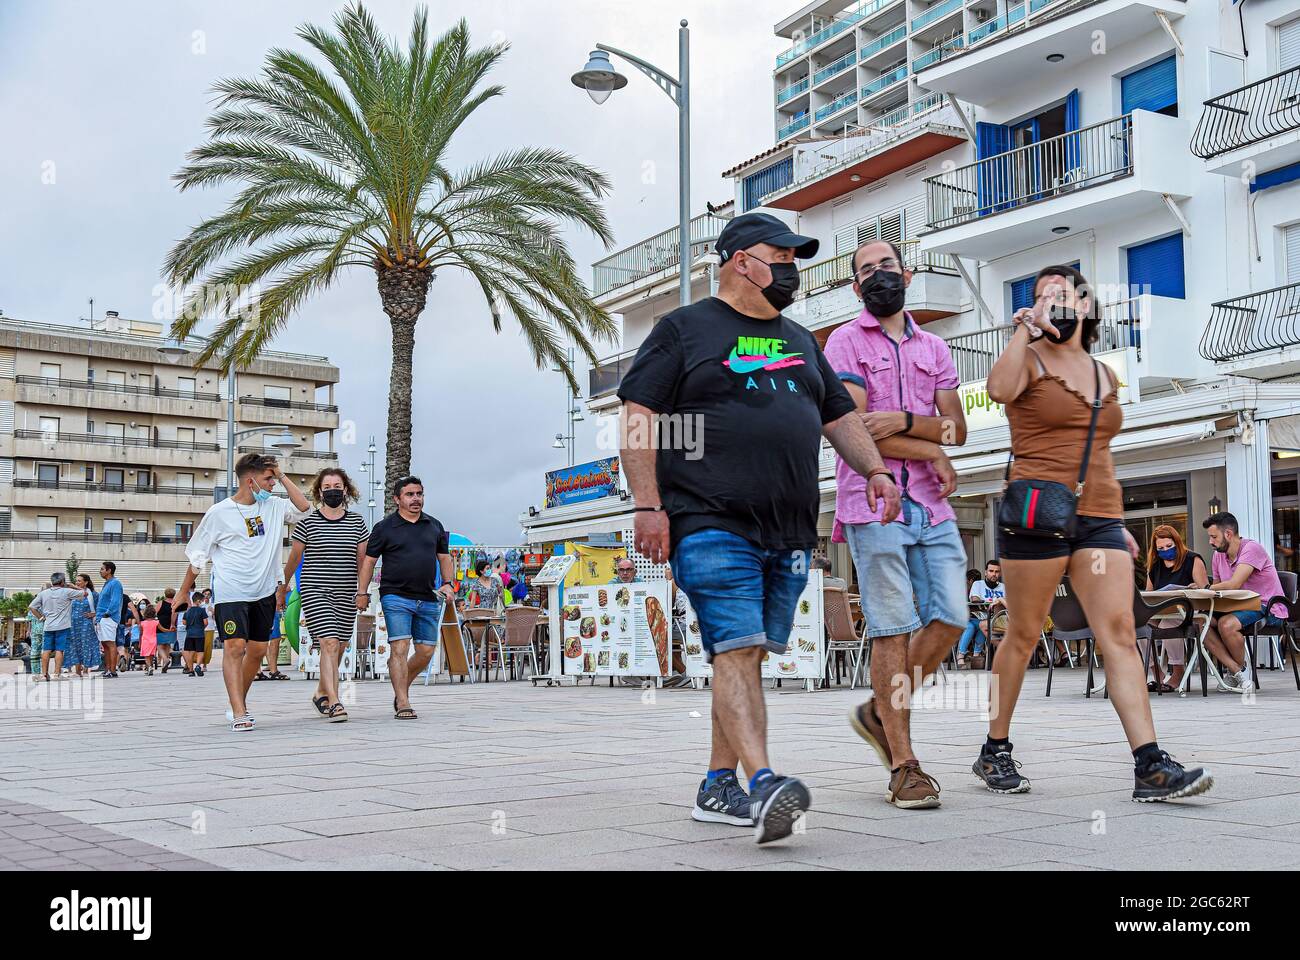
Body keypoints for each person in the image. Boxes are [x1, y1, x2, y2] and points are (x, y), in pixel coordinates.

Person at [618, 211, 900, 843]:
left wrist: (877, 470)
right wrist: (647, 503)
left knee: (741, 653)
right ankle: (763, 782)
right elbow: (639, 414)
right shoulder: (683, 331)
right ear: (742, 259)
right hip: (708, 517)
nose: (792, 270)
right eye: (783, 256)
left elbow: (838, 415)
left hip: (789, 529)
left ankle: (717, 784)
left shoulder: (802, 339)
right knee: (738, 645)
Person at [974, 263, 1210, 802]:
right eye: (1041, 296)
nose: (1053, 301)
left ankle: (1149, 765)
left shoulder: (1103, 372)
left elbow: (1100, 453)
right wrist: (1021, 330)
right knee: (1025, 634)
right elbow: (997, 389)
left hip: (1098, 516)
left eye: (1063, 293)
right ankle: (996, 747)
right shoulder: (1029, 358)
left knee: (1120, 632)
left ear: (1086, 304)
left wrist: (1120, 524)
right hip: (1037, 511)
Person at [825, 237, 968, 810]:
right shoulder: (843, 342)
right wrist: (929, 445)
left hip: (932, 504)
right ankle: (904, 765)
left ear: (906, 274)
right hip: (872, 497)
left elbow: (957, 429)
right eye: (866, 270)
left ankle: (881, 711)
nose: (879, 274)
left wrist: (913, 426)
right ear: (856, 286)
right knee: (892, 625)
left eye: (887, 264)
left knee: (954, 617)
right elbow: (857, 426)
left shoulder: (935, 346)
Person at [177, 453, 311, 731]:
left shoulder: (274, 506)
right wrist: (183, 592)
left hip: (264, 592)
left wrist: (282, 475)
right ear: (251, 482)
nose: (273, 483)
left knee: (258, 650)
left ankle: (239, 700)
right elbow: (198, 557)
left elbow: (305, 509)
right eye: (268, 479)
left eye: (274, 478)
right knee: (235, 647)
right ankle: (239, 711)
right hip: (231, 592)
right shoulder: (219, 512)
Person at [358, 476, 456, 721]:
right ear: (397, 499)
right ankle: (403, 701)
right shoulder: (384, 528)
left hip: (428, 597)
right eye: (410, 494)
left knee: (425, 651)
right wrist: (362, 592)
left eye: (419, 494)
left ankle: (401, 686)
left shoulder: (434, 525)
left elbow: (444, 558)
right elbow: (369, 561)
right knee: (399, 647)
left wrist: (447, 584)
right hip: (395, 596)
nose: (416, 499)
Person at [285, 467, 369, 722]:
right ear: (319, 491)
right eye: (327, 487)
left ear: (346, 490)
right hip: (315, 590)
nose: (333, 491)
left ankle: (322, 691)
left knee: (340, 645)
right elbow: (294, 557)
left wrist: (362, 592)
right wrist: (283, 585)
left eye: (337, 486)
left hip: (345, 592)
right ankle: (334, 701)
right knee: (329, 643)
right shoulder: (308, 522)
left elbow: (363, 561)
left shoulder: (357, 522)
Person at [1202, 512, 1285, 694]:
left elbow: (1233, 584)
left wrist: (1205, 587)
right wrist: (1204, 589)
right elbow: (1217, 587)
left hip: (1265, 605)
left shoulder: (1251, 549)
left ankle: (1239, 672)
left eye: (1214, 537)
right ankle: (1237, 670)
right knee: (1200, 622)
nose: (1210, 542)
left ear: (1229, 534)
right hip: (1234, 605)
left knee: (1226, 624)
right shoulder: (1218, 555)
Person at [1142, 525, 1207, 692]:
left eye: (1169, 546)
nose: (1165, 550)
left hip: (1188, 612)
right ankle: (1157, 674)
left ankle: (1178, 672)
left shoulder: (1193, 560)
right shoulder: (1155, 566)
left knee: (1167, 623)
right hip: (1161, 612)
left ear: (1177, 542)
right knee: (1139, 626)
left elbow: (1206, 593)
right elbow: (1149, 596)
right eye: (1161, 548)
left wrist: (1194, 589)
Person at [28, 573, 85, 682]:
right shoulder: (67, 591)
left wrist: (41, 618)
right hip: (63, 626)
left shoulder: (43, 593)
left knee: (46, 650)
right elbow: (85, 593)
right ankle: (56, 674)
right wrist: (72, 586)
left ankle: (44, 675)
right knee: (60, 650)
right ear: (63, 581)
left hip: (48, 626)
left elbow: (32, 607)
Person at [959, 560, 1005, 670]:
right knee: (972, 626)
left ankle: (976, 656)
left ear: (1000, 573)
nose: (994, 574)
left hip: (999, 619)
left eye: (997, 571)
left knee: (981, 625)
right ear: (985, 572)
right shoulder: (978, 584)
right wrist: (992, 601)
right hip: (978, 617)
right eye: (991, 571)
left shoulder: (1003, 587)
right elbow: (974, 599)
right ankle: (962, 655)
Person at [94, 562, 123, 678]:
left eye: (102, 569)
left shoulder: (115, 583)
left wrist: (108, 613)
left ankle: (112, 670)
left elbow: (115, 601)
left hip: (108, 618)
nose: (100, 571)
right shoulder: (107, 584)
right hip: (101, 617)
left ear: (109, 570)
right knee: (105, 644)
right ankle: (107, 669)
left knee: (110, 643)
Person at [68, 574, 100, 677]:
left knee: (85, 645)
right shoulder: (72, 594)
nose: (77, 582)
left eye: (79, 581)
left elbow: (100, 608)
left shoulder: (93, 594)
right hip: (73, 624)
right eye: (76, 581)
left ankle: (86, 669)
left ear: (86, 582)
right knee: (75, 646)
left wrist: (94, 614)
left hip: (86, 623)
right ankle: (77, 671)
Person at [182, 594, 208, 676]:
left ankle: (191, 670)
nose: (202, 602)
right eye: (202, 601)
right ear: (198, 601)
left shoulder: (187, 611)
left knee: (190, 652)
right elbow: (205, 622)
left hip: (189, 634)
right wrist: (202, 627)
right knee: (200, 651)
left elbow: (184, 622)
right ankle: (197, 666)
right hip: (199, 634)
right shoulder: (202, 610)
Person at [156, 588, 178, 674]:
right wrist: (172, 624)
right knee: (167, 644)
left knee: (159, 645)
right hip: (170, 626)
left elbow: (155, 613)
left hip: (160, 626)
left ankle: (165, 659)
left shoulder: (161, 603)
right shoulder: (175, 604)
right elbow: (174, 614)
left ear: (165, 594)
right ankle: (165, 662)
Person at [139, 604, 159, 676]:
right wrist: (169, 630)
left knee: (146, 656)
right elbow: (162, 629)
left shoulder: (142, 623)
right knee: (151, 655)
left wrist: (139, 643)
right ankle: (149, 667)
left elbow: (141, 634)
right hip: (153, 640)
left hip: (145, 641)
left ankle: (149, 667)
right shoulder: (156, 622)